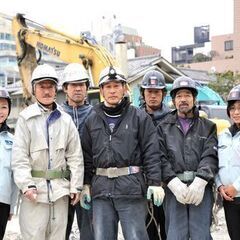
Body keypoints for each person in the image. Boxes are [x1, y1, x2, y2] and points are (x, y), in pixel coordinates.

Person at [80, 66, 165, 240]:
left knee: (136, 236)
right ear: (101, 90)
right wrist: (86, 184)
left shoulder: (140, 117)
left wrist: (155, 182)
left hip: (131, 190)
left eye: (116, 86)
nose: (112, 91)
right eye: (108, 87)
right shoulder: (91, 119)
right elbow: (86, 155)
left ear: (124, 88)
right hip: (101, 190)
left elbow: (151, 152)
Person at [12, 64, 83, 240]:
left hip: (60, 193)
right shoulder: (25, 119)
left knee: (58, 237)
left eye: (50, 86)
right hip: (34, 194)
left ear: (56, 89)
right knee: (34, 236)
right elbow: (19, 157)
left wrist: (76, 185)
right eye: (41, 87)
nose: (46, 91)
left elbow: (75, 156)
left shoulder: (65, 120)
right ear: (34, 89)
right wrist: (26, 185)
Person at [157, 76, 218, 239]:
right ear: (173, 100)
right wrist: (173, 183)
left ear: (194, 98)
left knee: (201, 234)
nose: (183, 99)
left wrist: (200, 181)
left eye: (187, 95)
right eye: (179, 96)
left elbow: (210, 155)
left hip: (201, 190)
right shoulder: (163, 128)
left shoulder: (208, 127)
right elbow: (160, 157)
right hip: (174, 190)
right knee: (175, 235)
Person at [62, 63, 94, 240]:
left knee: (89, 232)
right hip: (63, 181)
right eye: (73, 85)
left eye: (82, 84)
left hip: (89, 182)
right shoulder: (57, 114)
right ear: (65, 88)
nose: (78, 89)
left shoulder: (95, 114)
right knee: (60, 231)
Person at [140, 70, 170, 240]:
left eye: (157, 92)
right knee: (148, 230)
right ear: (143, 93)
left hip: (168, 184)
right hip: (143, 184)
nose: (152, 96)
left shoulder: (172, 118)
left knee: (168, 229)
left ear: (163, 94)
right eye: (149, 91)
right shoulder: (135, 117)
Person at [215, 85, 240, 240]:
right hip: (229, 199)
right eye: (232, 108)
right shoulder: (223, 135)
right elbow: (217, 163)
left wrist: (236, 187)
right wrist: (220, 186)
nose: (236, 112)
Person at [0, 87, 18, 240]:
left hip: (3, 202)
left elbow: (14, 177)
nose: (0, 111)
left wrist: (11, 207)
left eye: (4, 107)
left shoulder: (12, 141)